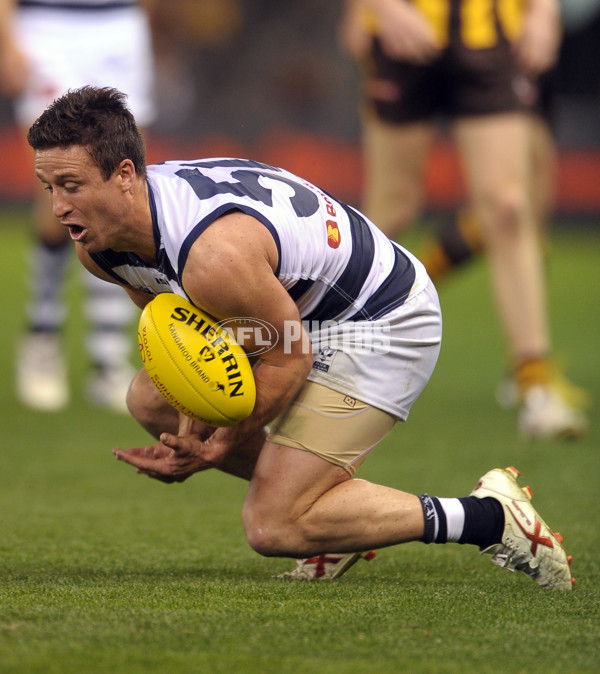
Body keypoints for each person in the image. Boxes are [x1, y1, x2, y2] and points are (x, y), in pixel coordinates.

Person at [26, 86, 574, 591]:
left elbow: (288, 355)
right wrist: (195, 428)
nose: (58, 208)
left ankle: (486, 517)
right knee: (148, 398)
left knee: (271, 526)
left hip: (380, 321)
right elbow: (180, 333)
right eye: (49, 187)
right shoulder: (101, 245)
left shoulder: (211, 254)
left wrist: (217, 443)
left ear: (124, 174)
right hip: (296, 315)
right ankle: (330, 516)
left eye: (72, 186)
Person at [338, 0, 588, 440]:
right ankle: (324, 348)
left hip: (491, 34)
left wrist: (544, 13)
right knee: (393, 207)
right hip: (403, 30)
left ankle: (533, 383)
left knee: (509, 207)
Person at [0, 0, 156, 412]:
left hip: (120, 22)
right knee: (57, 191)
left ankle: (107, 355)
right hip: (47, 25)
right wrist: (7, 35)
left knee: (120, 193)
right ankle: (42, 335)